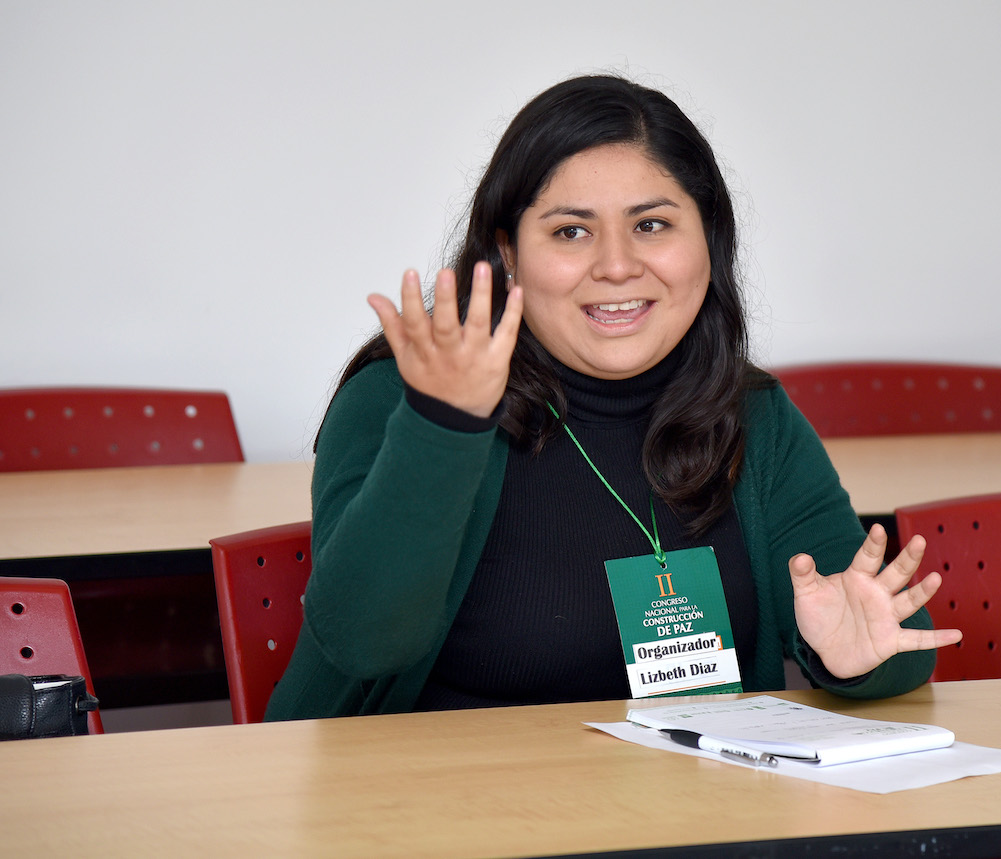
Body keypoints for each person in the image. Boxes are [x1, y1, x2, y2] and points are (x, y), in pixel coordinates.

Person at [266, 74, 961, 721]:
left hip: (689, 800)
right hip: (430, 799)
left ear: (709, 238)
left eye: (651, 225)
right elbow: (361, 642)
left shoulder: (751, 412)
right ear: (508, 253)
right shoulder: (402, 399)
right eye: (571, 231)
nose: (618, 265)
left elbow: (897, 642)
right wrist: (443, 425)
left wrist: (852, 655)